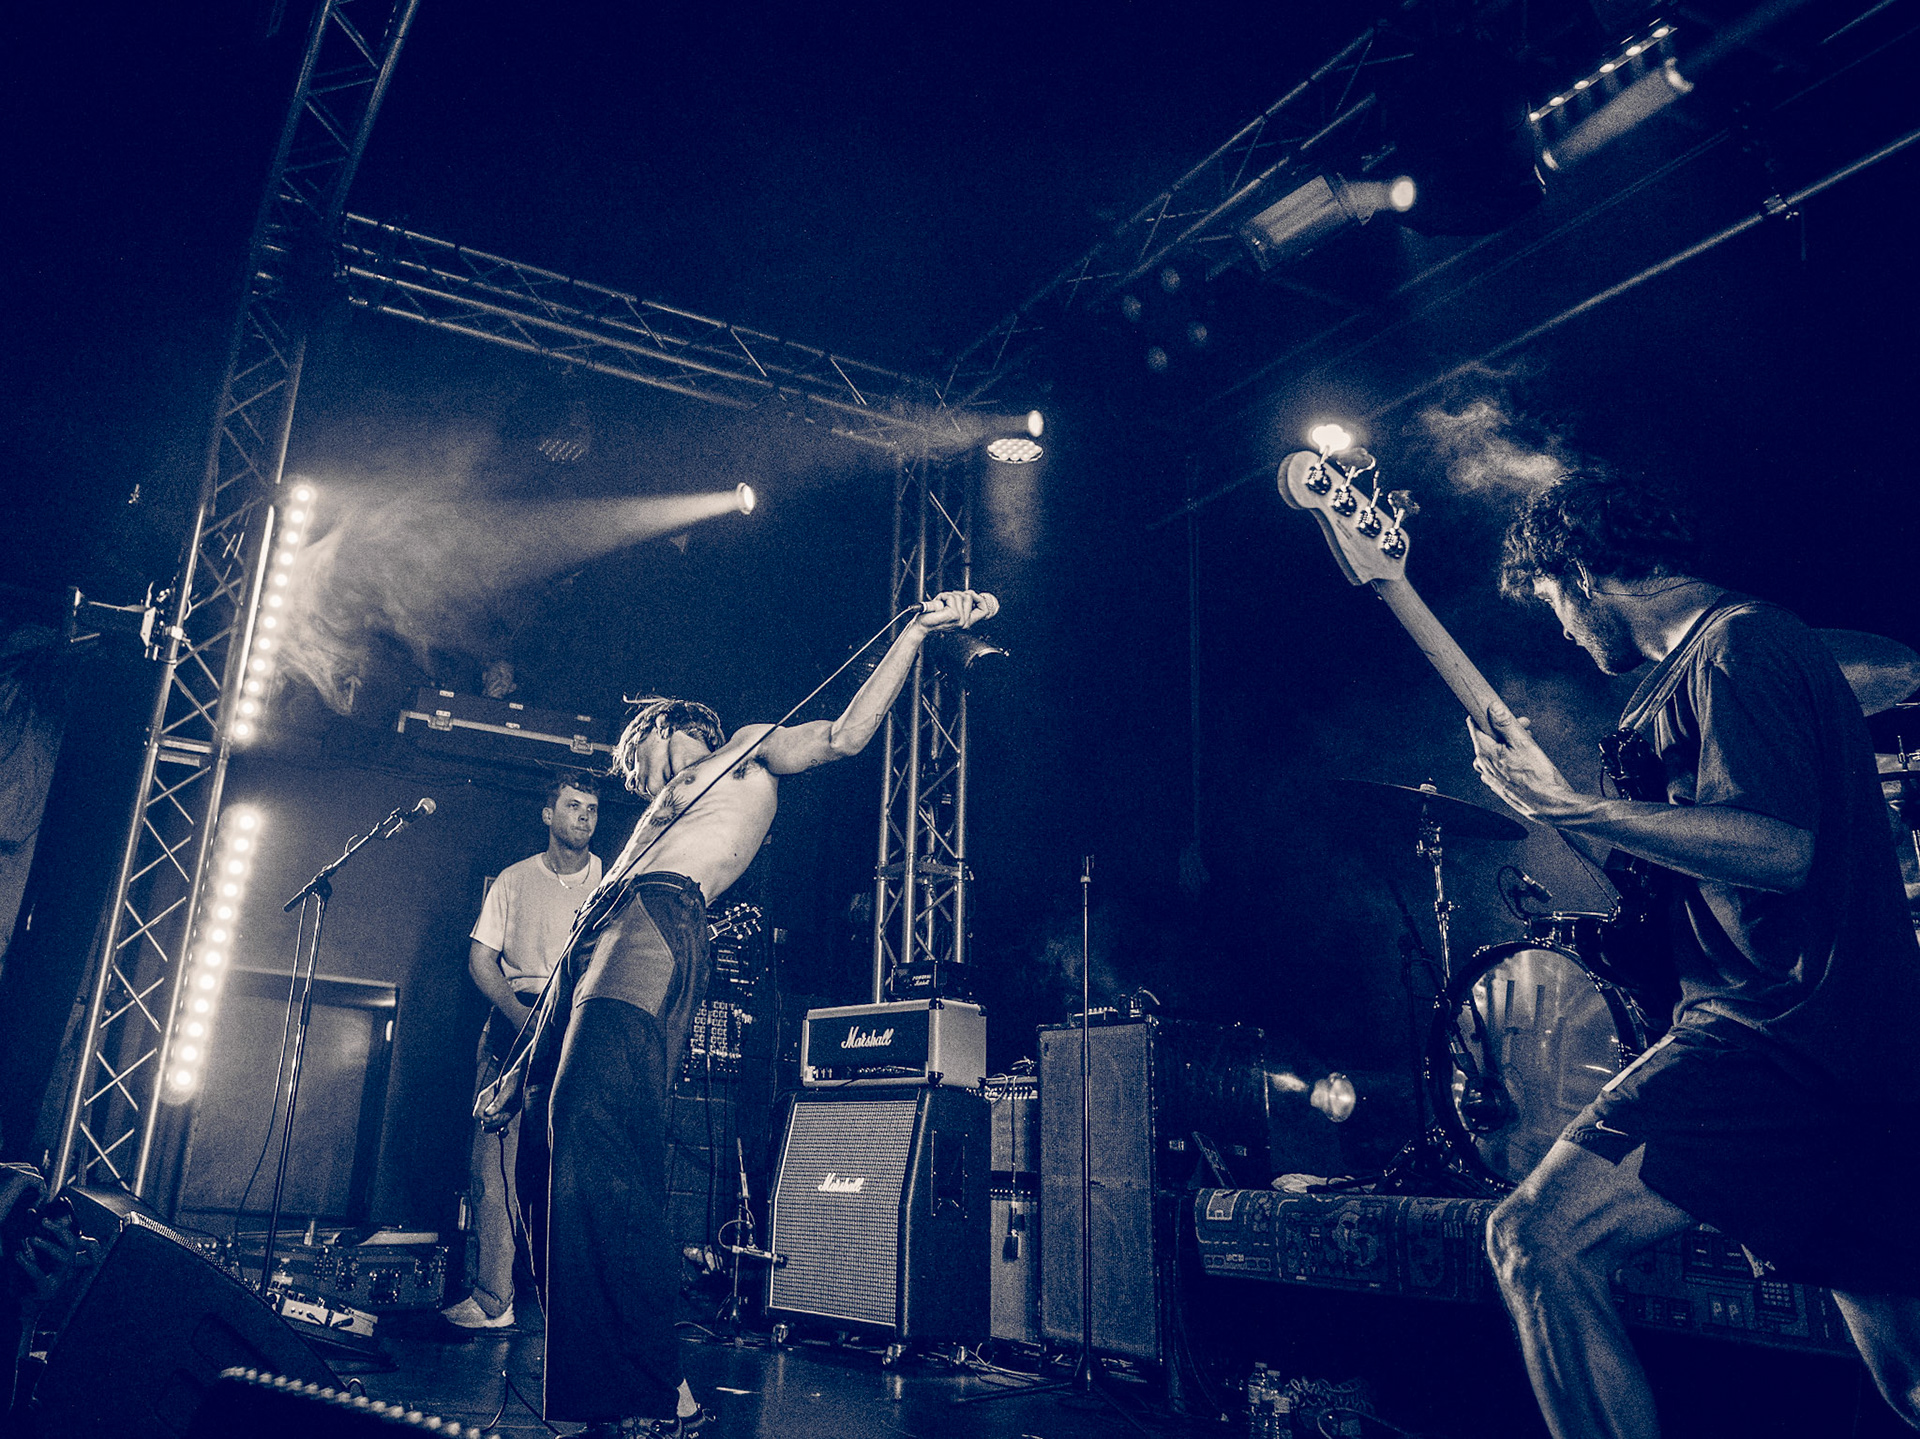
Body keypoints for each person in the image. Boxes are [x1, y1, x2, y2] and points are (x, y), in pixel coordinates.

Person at [1468, 468, 1920, 1438]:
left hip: (1773, 1034)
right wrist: (1565, 814)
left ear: (1582, 572)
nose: (1562, 630)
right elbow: (1689, 870)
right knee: (1912, 1377)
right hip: (1856, 1051)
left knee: (1535, 1238)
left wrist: (1574, 807)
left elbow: (1779, 847)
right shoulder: (1701, 669)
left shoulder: (1737, 645)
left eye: (1552, 600)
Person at [482, 589, 997, 1438]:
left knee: (598, 1134)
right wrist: (516, 1067)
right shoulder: (647, 817)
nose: (631, 780)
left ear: (658, 726)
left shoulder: (747, 750)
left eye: (632, 760)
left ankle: (657, 1390)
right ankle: (614, 1392)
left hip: (657, 922)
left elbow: (845, 735)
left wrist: (914, 631)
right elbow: (581, 938)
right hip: (602, 937)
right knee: (553, 1144)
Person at [441, 774, 601, 1330]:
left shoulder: (611, 881)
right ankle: (494, 1300)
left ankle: (574, 1313)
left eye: (592, 808)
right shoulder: (513, 880)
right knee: (494, 1167)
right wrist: (521, 1018)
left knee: (577, 1172)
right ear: (548, 814)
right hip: (516, 1018)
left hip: (580, 1022)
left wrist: (564, 1023)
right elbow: (480, 960)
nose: (584, 816)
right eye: (573, 805)